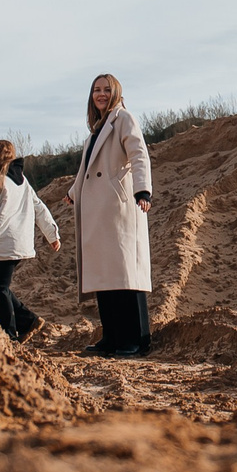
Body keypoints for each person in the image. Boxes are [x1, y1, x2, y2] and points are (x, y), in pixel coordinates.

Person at [71, 72, 154, 356]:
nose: (101, 94)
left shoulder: (124, 119)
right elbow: (86, 169)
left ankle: (136, 339)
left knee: (124, 275)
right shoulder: (95, 129)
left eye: (107, 89)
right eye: (96, 90)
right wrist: (73, 192)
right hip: (98, 210)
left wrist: (143, 190)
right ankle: (111, 337)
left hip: (118, 207)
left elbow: (139, 154)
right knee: (104, 277)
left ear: (116, 92)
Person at [0, 138, 59, 342]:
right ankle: (27, 320)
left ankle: (9, 333)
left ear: (4, 156)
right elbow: (39, 207)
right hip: (16, 241)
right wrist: (52, 234)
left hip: (3, 241)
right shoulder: (21, 181)